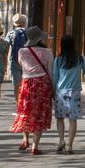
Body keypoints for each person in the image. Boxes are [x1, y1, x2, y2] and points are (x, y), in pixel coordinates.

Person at [52, 33, 85, 155]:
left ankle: (61, 141)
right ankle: (70, 145)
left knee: (60, 117)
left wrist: (52, 91)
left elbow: (55, 77)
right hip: (75, 92)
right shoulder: (79, 58)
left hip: (60, 92)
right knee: (73, 119)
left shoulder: (58, 59)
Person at [12, 26, 54, 154]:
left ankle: (25, 139)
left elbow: (20, 64)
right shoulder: (47, 52)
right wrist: (53, 87)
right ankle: (35, 146)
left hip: (26, 83)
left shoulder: (22, 52)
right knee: (39, 113)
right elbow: (51, 71)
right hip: (42, 83)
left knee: (25, 110)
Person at [5, 14, 29, 102]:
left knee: (16, 84)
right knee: (26, 83)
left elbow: (6, 47)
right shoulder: (28, 32)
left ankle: (18, 105)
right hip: (27, 61)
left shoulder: (10, 33)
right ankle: (25, 102)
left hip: (14, 60)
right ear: (24, 22)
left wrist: (5, 62)